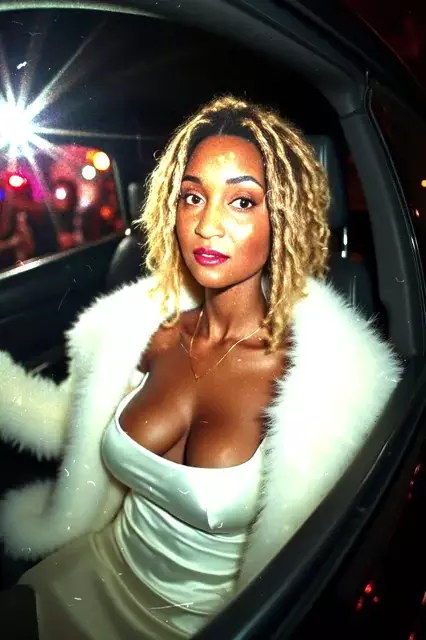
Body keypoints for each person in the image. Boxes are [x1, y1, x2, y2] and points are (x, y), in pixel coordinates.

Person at [0, 95, 401, 639]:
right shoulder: (144, 332)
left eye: (242, 201)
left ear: (282, 216)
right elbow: (67, 422)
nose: (208, 225)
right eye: (193, 196)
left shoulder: (326, 389)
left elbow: (326, 570)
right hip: (90, 571)